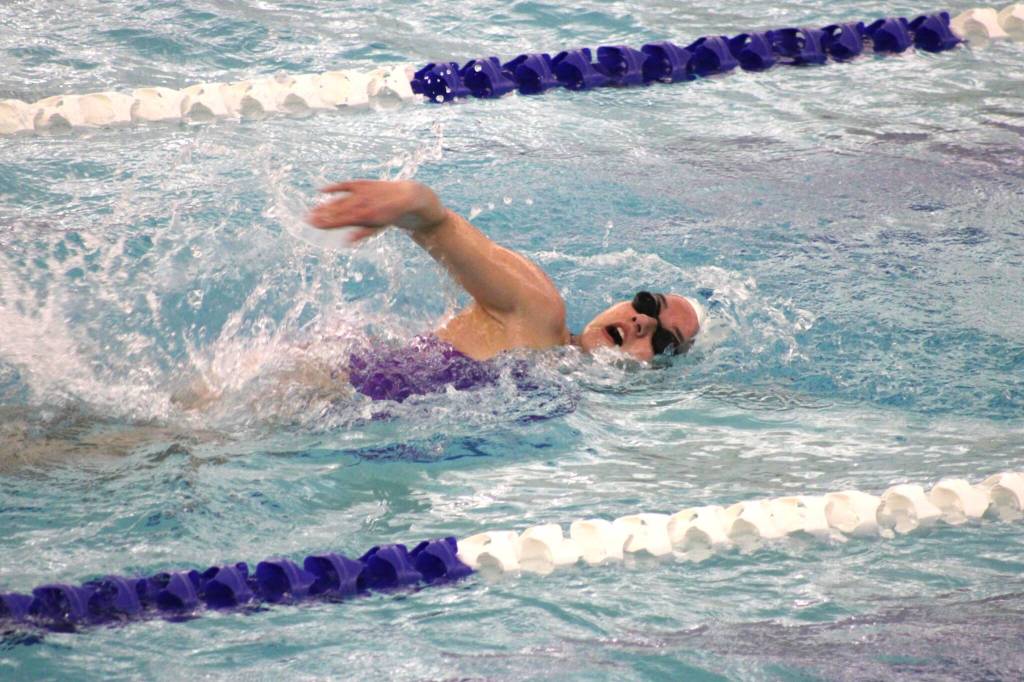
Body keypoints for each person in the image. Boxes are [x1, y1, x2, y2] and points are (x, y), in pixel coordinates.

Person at [307, 180, 702, 382]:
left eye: (663, 341)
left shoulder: (560, 391)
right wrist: (411, 201)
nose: (642, 321)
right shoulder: (538, 311)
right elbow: (437, 226)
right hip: (316, 389)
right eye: (647, 304)